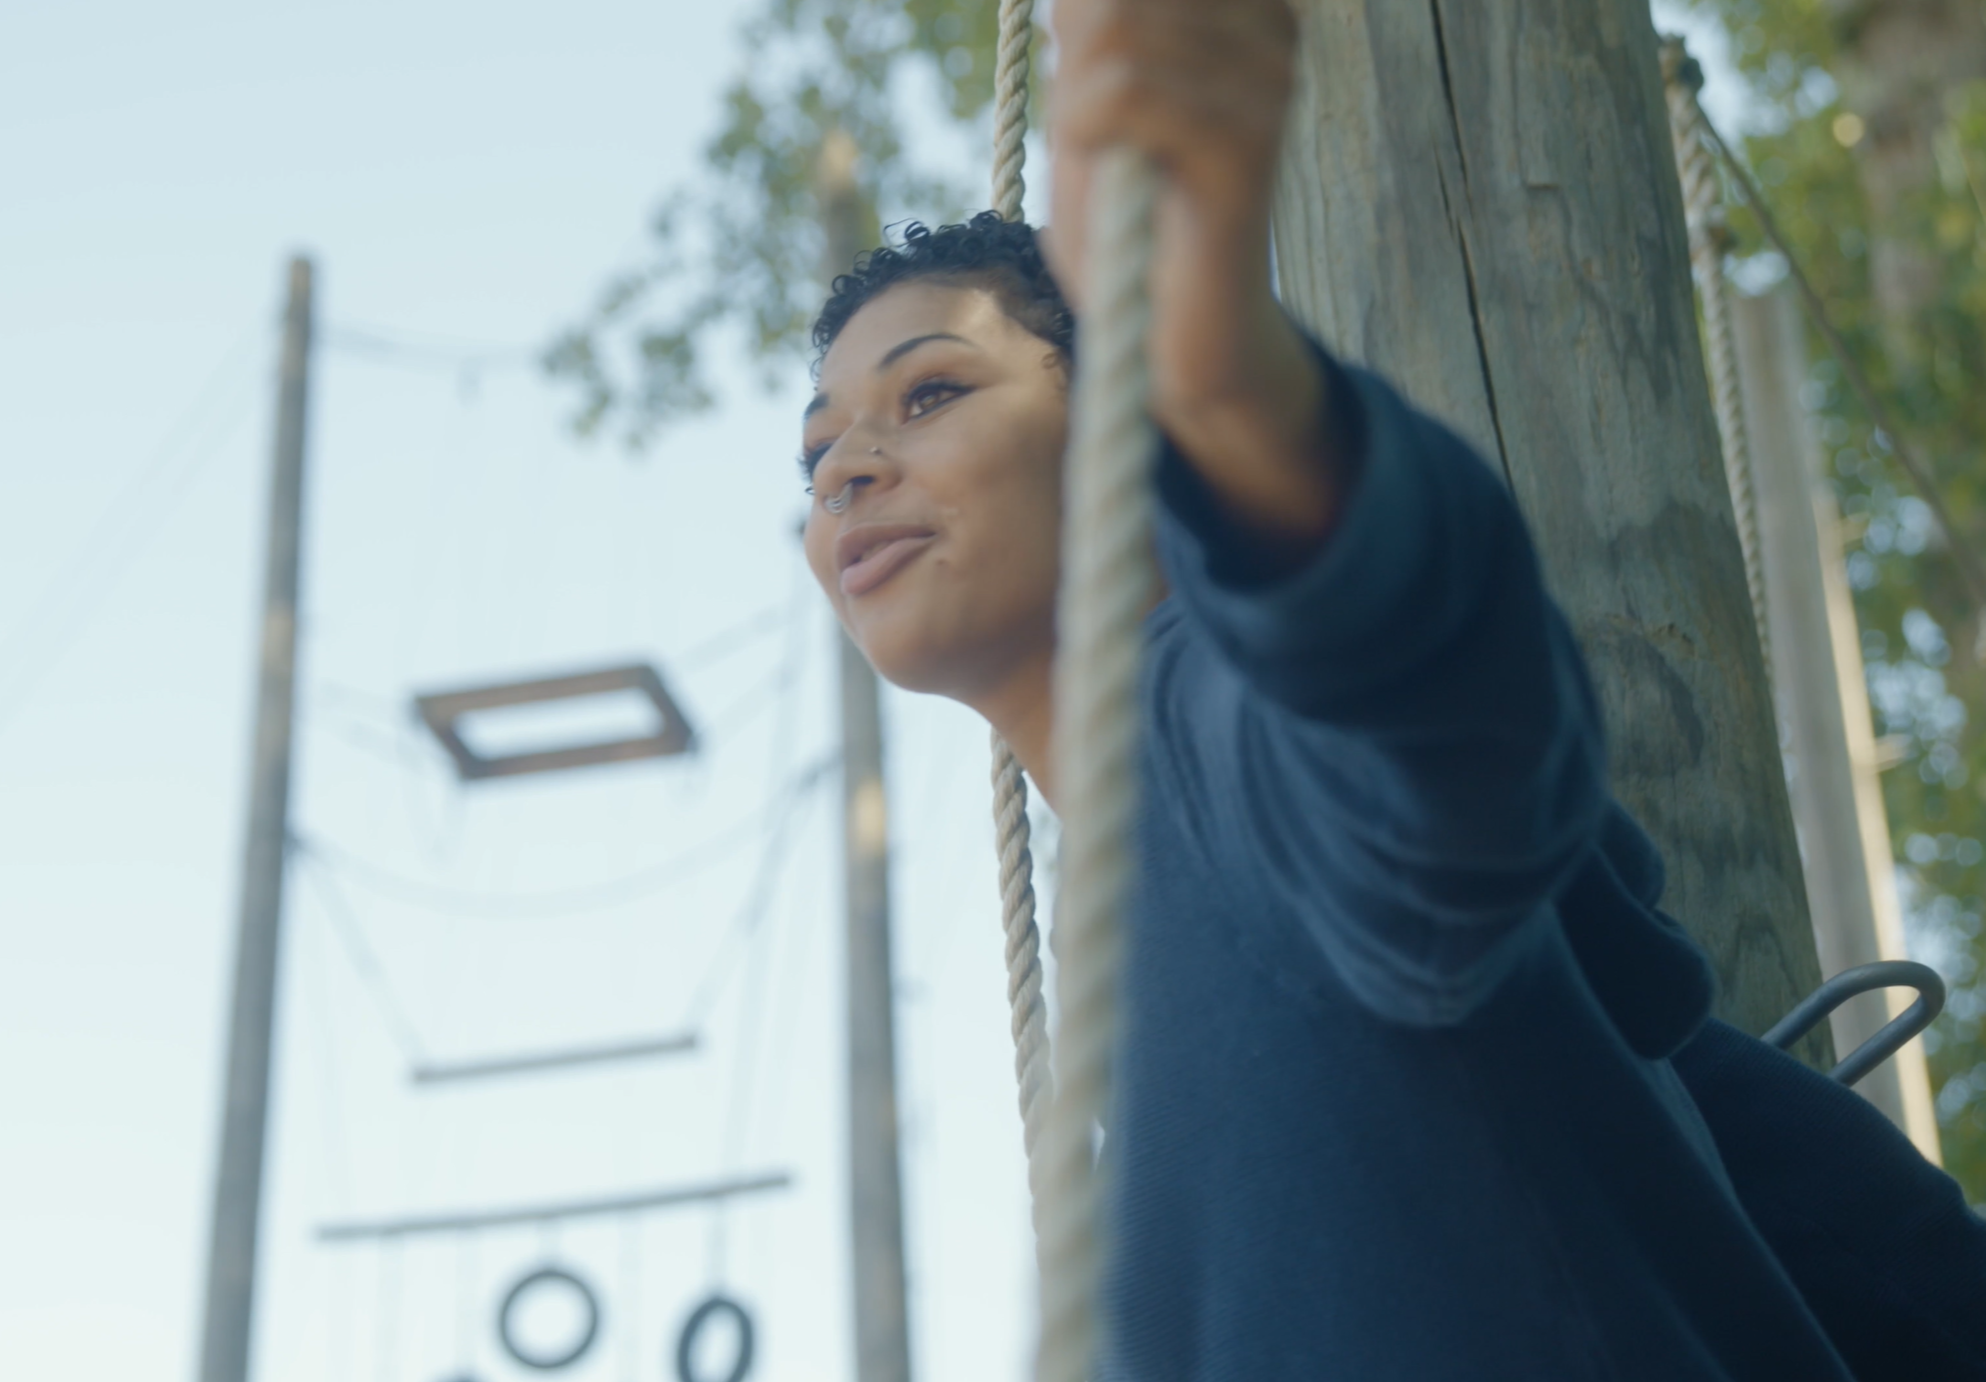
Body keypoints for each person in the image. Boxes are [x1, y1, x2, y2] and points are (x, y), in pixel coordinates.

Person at [794, 1, 1986, 1376]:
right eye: (817, 450)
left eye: (929, 392)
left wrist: (1230, 377)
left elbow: (1424, 710)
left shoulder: (1223, 736)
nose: (847, 469)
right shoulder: (1151, 934)